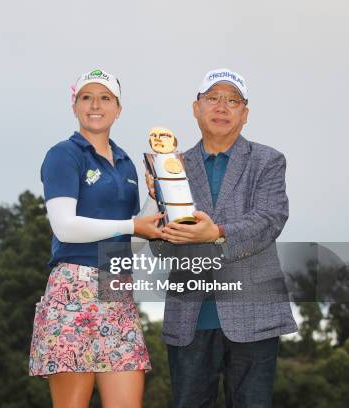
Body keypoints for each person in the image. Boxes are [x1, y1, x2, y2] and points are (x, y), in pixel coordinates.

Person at [147, 68, 298, 407]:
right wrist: (160, 210)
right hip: (190, 320)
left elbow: (269, 220)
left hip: (255, 318)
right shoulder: (171, 166)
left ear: (244, 114)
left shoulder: (268, 161)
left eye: (232, 100)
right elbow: (159, 247)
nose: (221, 107)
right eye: (212, 98)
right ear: (196, 107)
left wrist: (215, 233)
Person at [29, 69, 164, 408]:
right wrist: (135, 225)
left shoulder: (126, 164)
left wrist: (154, 197)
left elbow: (130, 240)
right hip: (73, 288)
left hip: (117, 287)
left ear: (118, 109)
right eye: (86, 97)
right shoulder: (64, 154)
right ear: (74, 106)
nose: (95, 105)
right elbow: (65, 227)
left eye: (105, 98)